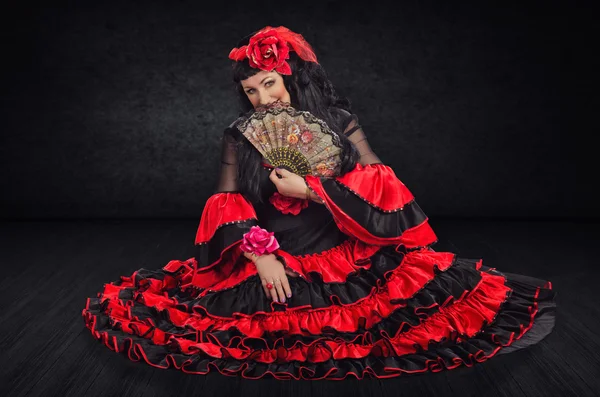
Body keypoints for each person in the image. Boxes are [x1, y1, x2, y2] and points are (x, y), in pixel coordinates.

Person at [82, 26, 556, 380]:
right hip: (269, 249)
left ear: (292, 77)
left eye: (269, 83)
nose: (262, 99)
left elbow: (380, 189)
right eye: (251, 90)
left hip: (342, 249)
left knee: (403, 313)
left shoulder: (341, 121)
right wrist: (261, 254)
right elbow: (227, 200)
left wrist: (310, 190)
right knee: (246, 323)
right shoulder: (239, 135)